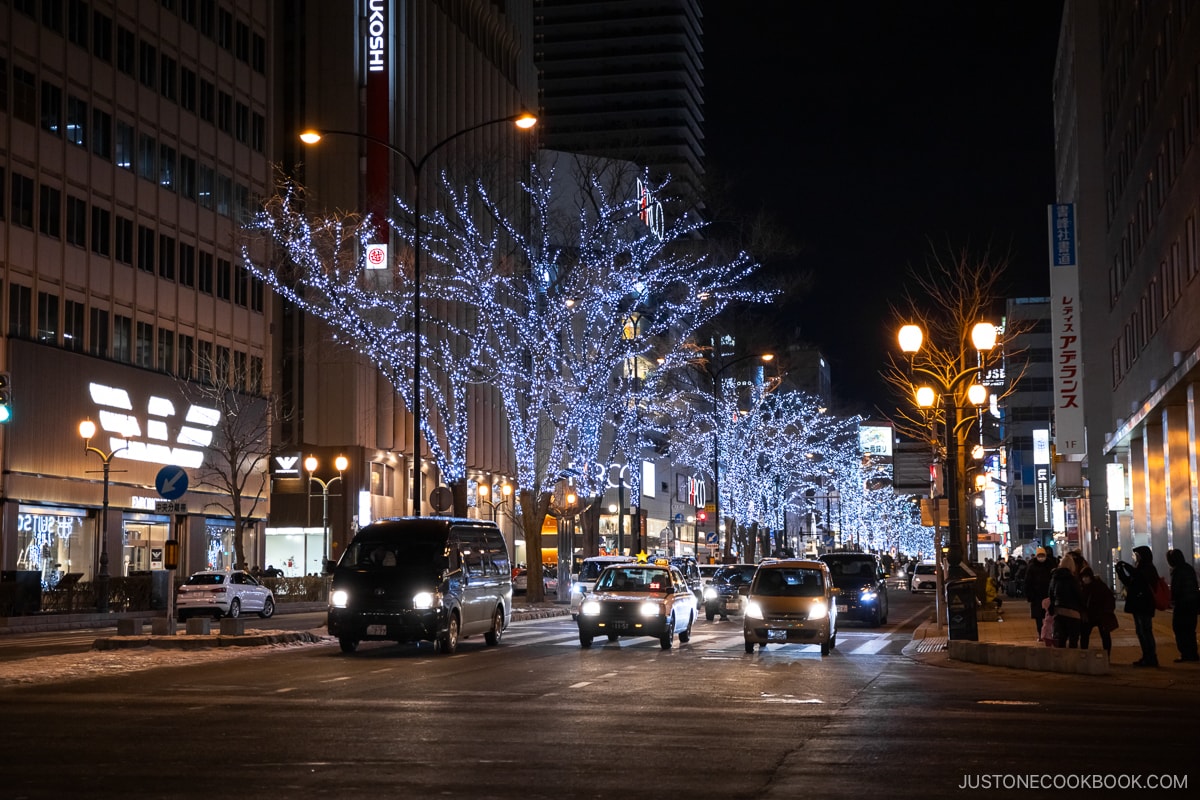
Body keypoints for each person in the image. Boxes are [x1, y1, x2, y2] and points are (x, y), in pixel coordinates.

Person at [1116, 545, 1160, 667]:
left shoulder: (1148, 568)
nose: (1136, 558)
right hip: (1139, 604)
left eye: (1138, 555)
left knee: (1145, 631)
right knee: (1142, 631)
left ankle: (1150, 657)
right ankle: (1147, 656)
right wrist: (1121, 572)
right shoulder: (1141, 568)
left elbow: (1139, 578)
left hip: (1144, 604)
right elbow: (1130, 582)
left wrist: (1126, 567)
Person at [1166, 548, 1199, 662]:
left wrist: (1171, 601)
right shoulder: (1189, 568)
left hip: (1182, 605)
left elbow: (1176, 590)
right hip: (1193, 604)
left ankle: (1185, 654)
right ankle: (1193, 654)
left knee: (1179, 629)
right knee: (1190, 630)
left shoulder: (1177, 571)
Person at [1079, 565, 1118, 660]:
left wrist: (1107, 611)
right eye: (1083, 577)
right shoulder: (1082, 587)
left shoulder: (1099, 586)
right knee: (1084, 635)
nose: (1085, 579)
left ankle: (1107, 656)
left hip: (1100, 615)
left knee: (1105, 635)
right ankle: (1084, 655)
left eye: (1086, 576)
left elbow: (1109, 599)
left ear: (1090, 576)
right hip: (1089, 616)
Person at [1048, 552, 1084, 648]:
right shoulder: (1072, 579)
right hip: (1073, 613)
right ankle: (1072, 661)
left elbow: (1051, 595)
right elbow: (1079, 595)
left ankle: (1061, 661)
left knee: (1061, 640)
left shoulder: (1054, 578)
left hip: (1059, 612)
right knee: (1073, 641)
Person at [1024, 547, 1055, 640]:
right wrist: (1030, 595)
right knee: (1038, 617)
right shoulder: (1032, 566)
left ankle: (1050, 634)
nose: (1041, 557)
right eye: (1039, 556)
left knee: (1050, 616)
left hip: (1048, 596)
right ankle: (1040, 635)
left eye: (1043, 555)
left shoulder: (1050, 565)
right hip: (1036, 596)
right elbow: (1027, 582)